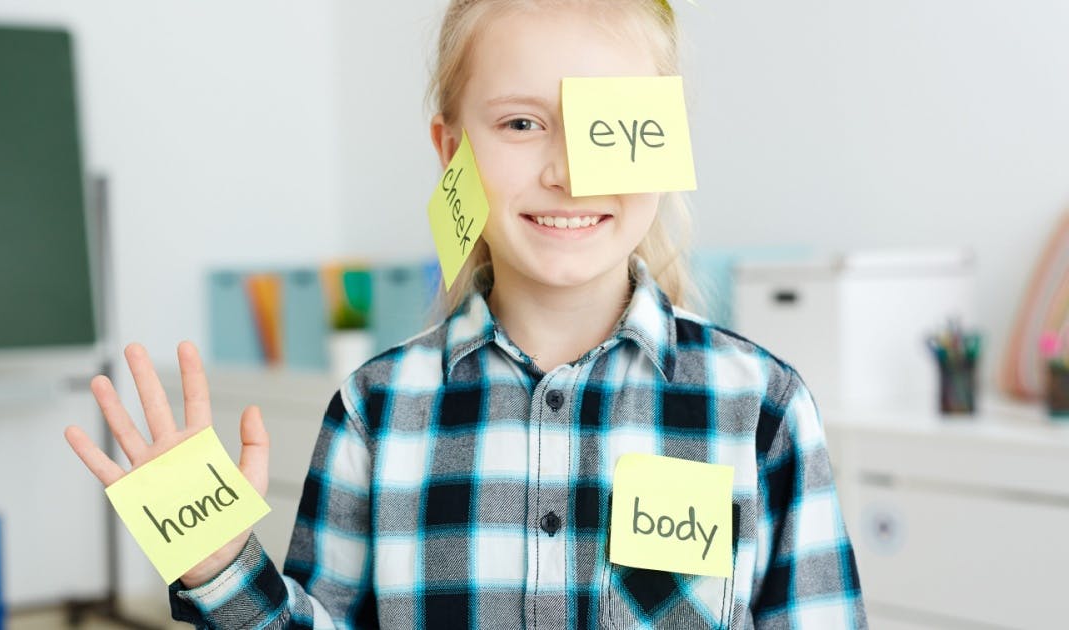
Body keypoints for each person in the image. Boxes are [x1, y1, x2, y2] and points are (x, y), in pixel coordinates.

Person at [65, 0, 866, 627]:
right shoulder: (376, 413)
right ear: (451, 151)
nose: (567, 172)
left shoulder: (762, 409)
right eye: (521, 123)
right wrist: (220, 566)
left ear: (662, 141)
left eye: (608, 129)